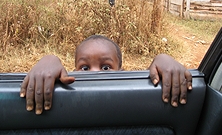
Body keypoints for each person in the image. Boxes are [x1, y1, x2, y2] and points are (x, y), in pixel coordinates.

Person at [20, 35, 192, 115]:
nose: (95, 73)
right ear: (71, 72)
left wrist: (163, 59)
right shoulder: (68, 95)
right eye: (85, 68)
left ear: (121, 72)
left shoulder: (128, 95)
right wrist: (49, 60)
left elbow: (146, 83)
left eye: (106, 67)